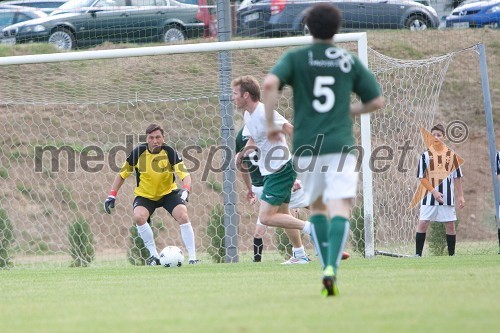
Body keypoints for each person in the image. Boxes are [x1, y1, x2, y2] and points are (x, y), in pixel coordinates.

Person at [262, 3, 384, 297]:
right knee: (341, 206)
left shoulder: (296, 58)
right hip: (340, 145)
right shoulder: (347, 61)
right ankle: (331, 267)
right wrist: (350, 111)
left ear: (307, 27)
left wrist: (269, 123)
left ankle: (324, 266)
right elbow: (377, 101)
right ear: (337, 29)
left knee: (316, 205)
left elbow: (268, 84)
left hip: (306, 146)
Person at [236, 124, 350, 263]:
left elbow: (242, 165)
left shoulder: (241, 135)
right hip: (276, 180)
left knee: (283, 215)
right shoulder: (265, 127)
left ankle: (300, 253)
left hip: (260, 186)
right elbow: (278, 156)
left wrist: (249, 188)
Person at [232, 76, 313, 264]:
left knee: (266, 217)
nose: (232, 98)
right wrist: (243, 153)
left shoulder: (264, 112)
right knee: (284, 215)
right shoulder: (247, 115)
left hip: (281, 170)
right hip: (270, 172)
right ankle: (300, 255)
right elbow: (255, 139)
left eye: (235, 94)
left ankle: (313, 229)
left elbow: (289, 129)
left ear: (246, 95)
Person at [103, 123, 199, 265]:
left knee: (183, 215)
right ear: (147, 139)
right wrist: (112, 194)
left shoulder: (169, 152)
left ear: (163, 138)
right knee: (139, 217)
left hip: (168, 193)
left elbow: (185, 175)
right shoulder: (137, 153)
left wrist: (185, 189)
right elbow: (122, 175)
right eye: (151, 138)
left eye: (158, 137)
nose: (155, 141)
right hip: (145, 195)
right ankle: (154, 256)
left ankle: (192, 258)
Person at [415, 124, 465, 257]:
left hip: (446, 197)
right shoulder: (425, 156)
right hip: (428, 197)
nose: (436, 137)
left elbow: (457, 177)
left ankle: (452, 255)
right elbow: (422, 177)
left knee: (450, 225)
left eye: (439, 135)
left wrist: (460, 196)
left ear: (444, 137)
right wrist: (434, 192)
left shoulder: (452, 156)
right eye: (433, 135)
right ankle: (417, 255)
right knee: (423, 223)